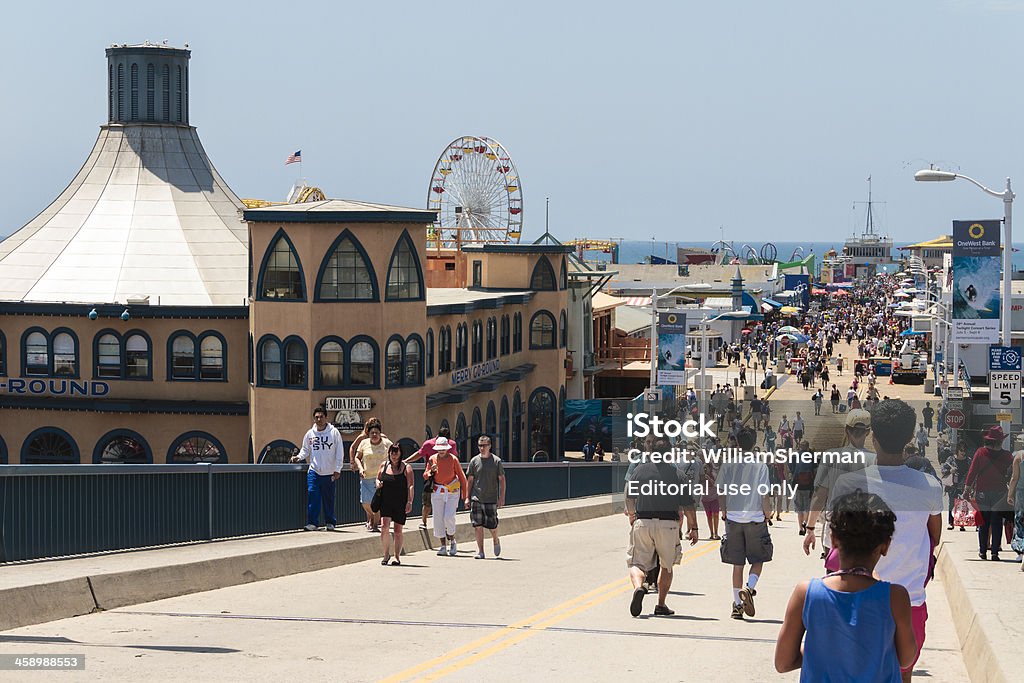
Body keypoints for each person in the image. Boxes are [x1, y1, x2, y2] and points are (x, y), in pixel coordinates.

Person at [830, 399, 942, 682]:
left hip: (857, 598)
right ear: (909, 439)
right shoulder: (929, 486)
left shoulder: (849, 484)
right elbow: (934, 536)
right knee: (903, 675)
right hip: (911, 602)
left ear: (873, 437)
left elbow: (838, 542)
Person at [775, 490, 916, 681]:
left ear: (833, 540)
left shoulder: (807, 593)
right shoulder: (895, 597)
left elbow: (783, 662)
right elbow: (906, 659)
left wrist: (822, 648)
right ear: (885, 545)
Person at [625, 436, 699, 617]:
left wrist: (632, 514)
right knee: (667, 566)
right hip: (669, 524)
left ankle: (638, 587)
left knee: (636, 563)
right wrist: (693, 527)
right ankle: (661, 604)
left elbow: (629, 496)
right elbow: (689, 504)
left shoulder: (640, 471)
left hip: (643, 522)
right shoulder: (678, 475)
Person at [717, 428, 772, 620]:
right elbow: (764, 494)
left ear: (737, 444)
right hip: (755, 518)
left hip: (733, 518)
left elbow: (721, 491)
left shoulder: (728, 465)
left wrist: (724, 511)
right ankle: (749, 588)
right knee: (758, 559)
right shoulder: (761, 466)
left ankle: (737, 605)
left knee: (737, 564)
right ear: (755, 442)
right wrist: (768, 513)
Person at [964, 426, 1013, 561]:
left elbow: (972, 472)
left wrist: (966, 490)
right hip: (1000, 493)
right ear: (1000, 441)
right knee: (997, 523)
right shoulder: (1007, 456)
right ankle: (995, 552)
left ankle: (982, 551)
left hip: (982, 493)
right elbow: (1012, 474)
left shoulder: (980, 452)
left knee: (983, 523)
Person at [291, 406, 344, 531]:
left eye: (321, 417)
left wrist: (338, 469)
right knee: (313, 496)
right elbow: (306, 449)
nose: (319, 419)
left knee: (329, 498)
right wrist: (298, 457)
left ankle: (330, 522)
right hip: (314, 471)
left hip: (329, 472)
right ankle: (312, 523)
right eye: (316, 417)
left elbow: (339, 452)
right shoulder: (310, 434)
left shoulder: (334, 432)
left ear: (326, 418)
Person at [406, 426, 459, 529]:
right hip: (431, 477)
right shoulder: (429, 444)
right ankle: (424, 521)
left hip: (448, 478)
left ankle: (446, 525)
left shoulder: (452, 444)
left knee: (447, 502)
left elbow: (455, 459)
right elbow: (419, 454)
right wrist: (406, 461)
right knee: (427, 501)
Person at [425, 436, 469, 556]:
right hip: (437, 491)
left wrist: (465, 496)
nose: (441, 451)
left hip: (452, 491)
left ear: (447, 448)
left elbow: (462, 476)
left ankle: (452, 540)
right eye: (439, 449)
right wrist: (431, 472)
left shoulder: (453, 459)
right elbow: (425, 475)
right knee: (438, 519)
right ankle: (443, 545)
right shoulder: (432, 459)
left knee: (448, 517)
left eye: (443, 449)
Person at [466, 434, 507, 559]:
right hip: (476, 498)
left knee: (492, 525)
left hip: (490, 498)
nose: (481, 448)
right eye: (479, 445)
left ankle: (495, 539)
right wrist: (467, 497)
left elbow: (502, 479)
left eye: (484, 445)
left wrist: (501, 497)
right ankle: (481, 551)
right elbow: (470, 480)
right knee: (477, 525)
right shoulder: (474, 461)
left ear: (490, 446)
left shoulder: (496, 461)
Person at [375, 443, 414, 565]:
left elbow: (410, 485)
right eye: (392, 452)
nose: (394, 455)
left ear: (401, 453)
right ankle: (386, 554)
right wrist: (378, 484)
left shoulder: (406, 468)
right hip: (386, 501)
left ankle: (397, 556)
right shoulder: (384, 465)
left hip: (400, 502)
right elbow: (378, 478)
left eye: (396, 453)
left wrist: (409, 501)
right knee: (384, 527)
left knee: (398, 530)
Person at [352, 418, 392, 533]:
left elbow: (395, 457)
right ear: (368, 434)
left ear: (380, 433)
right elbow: (357, 457)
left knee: (378, 502)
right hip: (366, 477)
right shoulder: (364, 443)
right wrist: (360, 468)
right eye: (372, 433)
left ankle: (374, 524)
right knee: (365, 502)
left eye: (376, 433)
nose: (374, 435)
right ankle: (373, 518)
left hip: (381, 478)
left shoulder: (387, 444)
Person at [940, 442, 969, 531]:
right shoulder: (951, 459)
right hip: (952, 485)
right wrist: (950, 471)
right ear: (957, 450)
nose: (963, 453)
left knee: (962, 505)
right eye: (961, 450)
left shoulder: (968, 460)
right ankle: (951, 522)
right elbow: (943, 469)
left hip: (963, 485)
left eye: (964, 451)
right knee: (952, 504)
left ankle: (961, 523)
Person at [1006, 437, 1024, 567]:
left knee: (1020, 520)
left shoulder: (1019, 456)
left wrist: (1010, 494)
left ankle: (1021, 552)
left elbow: (1014, 478)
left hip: (1021, 492)